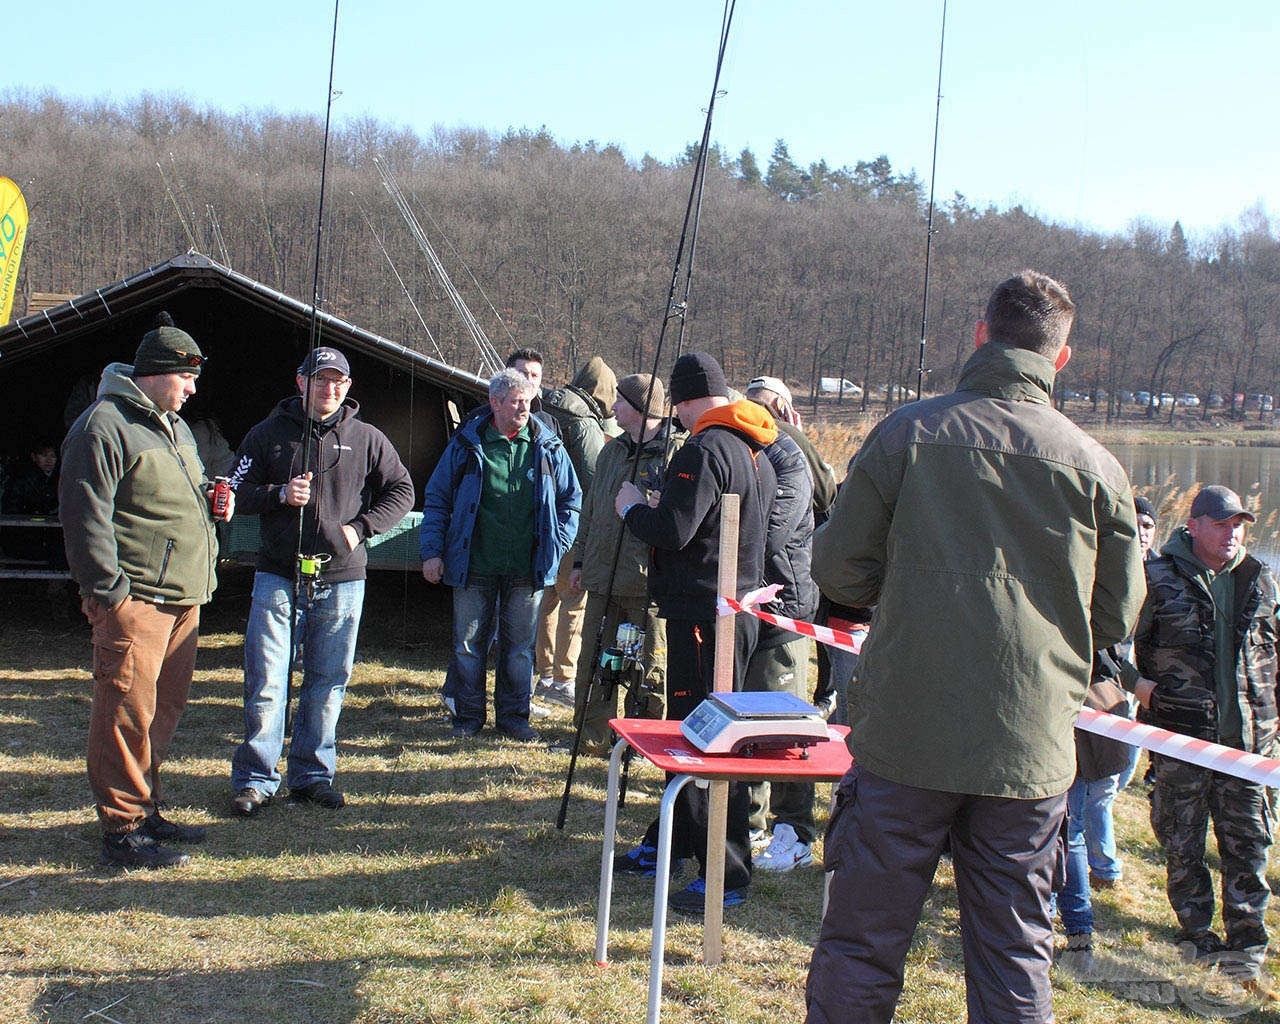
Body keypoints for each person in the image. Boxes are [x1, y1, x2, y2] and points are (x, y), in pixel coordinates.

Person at [805, 271, 1145, 1022]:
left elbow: (838, 570)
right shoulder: (1098, 468)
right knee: (1015, 955)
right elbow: (1116, 617)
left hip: (906, 737)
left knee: (863, 942)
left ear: (980, 334)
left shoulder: (909, 432)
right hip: (1028, 750)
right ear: (1061, 359)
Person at [60, 312, 231, 869]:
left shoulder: (174, 426)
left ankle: (147, 806)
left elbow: (179, 491)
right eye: (189, 377)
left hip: (184, 596)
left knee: (163, 710)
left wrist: (213, 498)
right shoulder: (102, 426)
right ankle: (123, 829)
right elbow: (85, 516)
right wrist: (108, 593)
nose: (194, 388)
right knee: (125, 712)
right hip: (137, 599)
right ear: (159, 372)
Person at [613, 351, 777, 914]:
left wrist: (633, 508)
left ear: (683, 402)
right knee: (691, 735)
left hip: (706, 616)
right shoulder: (755, 448)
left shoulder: (706, 448)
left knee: (710, 741)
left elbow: (675, 532)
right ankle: (670, 844)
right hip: (734, 608)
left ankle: (726, 872)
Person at [227, 347, 413, 816]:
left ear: (348, 387)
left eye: (338, 381)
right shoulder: (266, 434)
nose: (329, 389)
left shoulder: (368, 438)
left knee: (328, 681)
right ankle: (256, 779)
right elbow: (233, 490)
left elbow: (402, 490)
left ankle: (313, 775)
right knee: (268, 681)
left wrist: (360, 528)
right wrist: (279, 494)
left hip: (343, 578)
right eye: (320, 380)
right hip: (277, 574)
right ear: (300, 382)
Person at [1134, 484, 1280, 982]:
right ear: (1193, 526)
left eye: (1238, 524)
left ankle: (1247, 947)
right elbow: (1107, 640)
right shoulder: (1155, 577)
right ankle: (1196, 933)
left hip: (1249, 748)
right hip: (1181, 742)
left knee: (1249, 847)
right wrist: (1140, 687)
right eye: (1220, 524)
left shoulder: (1262, 581)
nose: (1231, 533)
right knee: (1182, 844)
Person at [420, 367, 580, 742]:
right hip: (473, 565)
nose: (523, 409)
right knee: (467, 645)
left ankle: (514, 719)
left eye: (527, 402)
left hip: (528, 569)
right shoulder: (466, 444)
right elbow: (438, 499)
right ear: (494, 403)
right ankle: (468, 717)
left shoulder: (548, 447)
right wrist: (433, 551)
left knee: (519, 650)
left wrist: (556, 543)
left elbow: (571, 501)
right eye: (515, 402)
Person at [569, 373, 679, 753]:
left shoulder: (674, 454)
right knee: (596, 663)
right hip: (602, 577)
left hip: (645, 584)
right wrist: (581, 560)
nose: (613, 407)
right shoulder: (611, 452)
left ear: (639, 408)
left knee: (646, 667)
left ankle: (643, 741)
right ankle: (592, 738)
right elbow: (592, 510)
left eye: (620, 402)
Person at [740, 377, 821, 873]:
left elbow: (770, 533)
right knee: (746, 715)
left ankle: (795, 829)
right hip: (745, 605)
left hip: (784, 606)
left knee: (787, 721)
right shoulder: (742, 452)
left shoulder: (790, 458)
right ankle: (750, 821)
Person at [1079, 494, 1159, 890]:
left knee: (1120, 776)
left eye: (1149, 526)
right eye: (1137, 525)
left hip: (1145, 694)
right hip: (1107, 689)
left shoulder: (1164, 574)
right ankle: (1103, 867)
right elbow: (1100, 638)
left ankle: (1100, 861)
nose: (1142, 533)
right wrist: (1129, 679)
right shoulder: (1104, 571)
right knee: (1101, 785)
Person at [535, 355, 619, 709]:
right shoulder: (584, 424)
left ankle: (542, 672)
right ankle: (563, 677)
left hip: (541, 522)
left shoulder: (548, 407)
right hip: (570, 525)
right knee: (575, 601)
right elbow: (592, 480)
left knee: (546, 601)